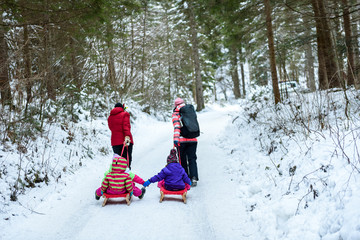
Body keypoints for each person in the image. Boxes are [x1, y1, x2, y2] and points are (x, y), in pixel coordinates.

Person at [172, 98, 199, 186]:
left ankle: (186, 178)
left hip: (182, 140)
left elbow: (177, 127)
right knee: (192, 159)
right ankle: (194, 177)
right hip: (193, 139)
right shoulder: (191, 110)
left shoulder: (176, 113)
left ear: (175, 105)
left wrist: (175, 140)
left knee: (182, 159)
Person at [108, 102, 134, 169]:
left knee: (118, 161)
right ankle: (127, 176)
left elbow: (111, 128)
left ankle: (118, 177)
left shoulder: (110, 117)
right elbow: (126, 126)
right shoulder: (125, 114)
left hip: (115, 142)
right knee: (126, 161)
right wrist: (127, 136)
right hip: (124, 141)